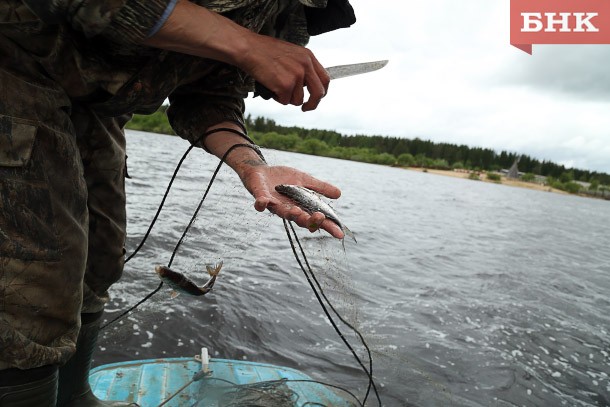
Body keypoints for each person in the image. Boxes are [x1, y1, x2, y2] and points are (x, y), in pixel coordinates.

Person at [0, 0, 356, 405]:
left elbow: (208, 98)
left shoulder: (286, 14)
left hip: (99, 110)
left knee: (98, 261)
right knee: (30, 288)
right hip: (15, 71)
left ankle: (76, 398)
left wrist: (252, 165)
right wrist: (247, 46)